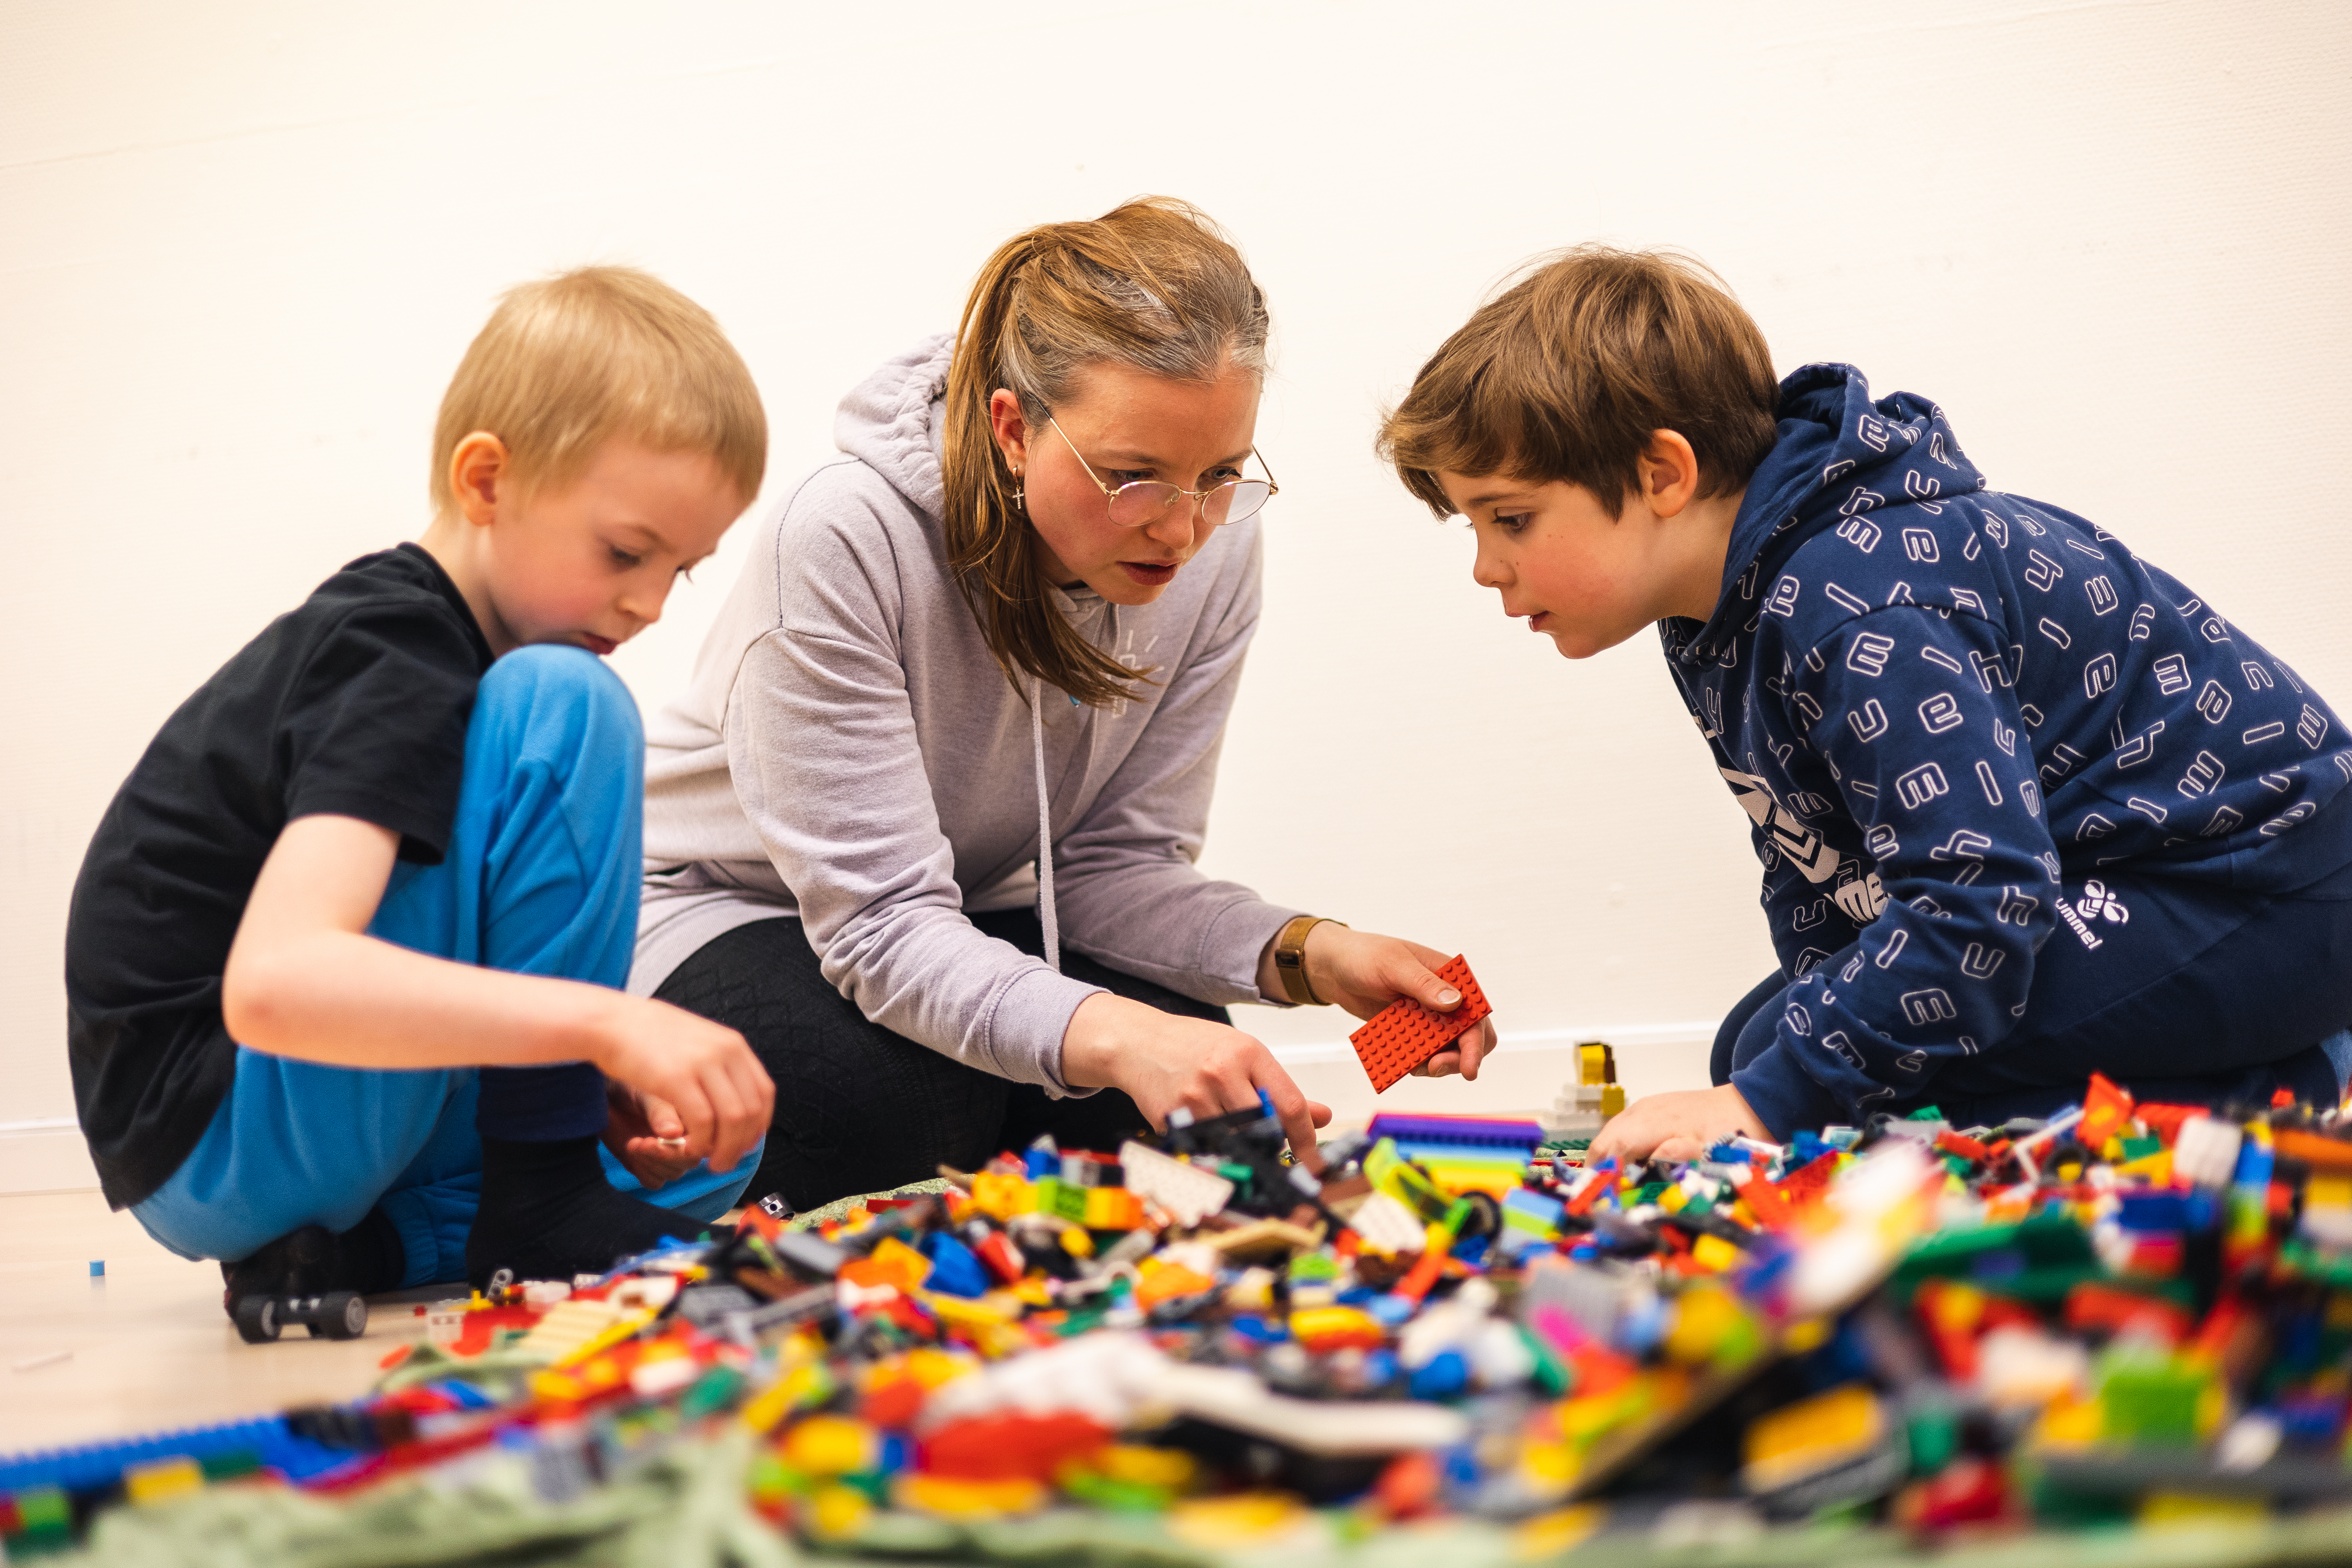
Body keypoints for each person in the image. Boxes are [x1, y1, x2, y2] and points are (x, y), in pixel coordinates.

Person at [1377, 246, 2352, 1162]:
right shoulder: (1714, 612)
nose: (1486, 567)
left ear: (1662, 475)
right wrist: (1784, 1073)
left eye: (1511, 519)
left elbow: (1979, 899)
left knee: (1800, 1084)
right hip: (2092, 882)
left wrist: (1782, 1097)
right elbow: (1815, 857)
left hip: (2264, 895)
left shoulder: (1860, 605)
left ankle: (2290, 1081)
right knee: (1755, 1049)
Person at [631, 198, 1494, 1209]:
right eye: (1133, 477)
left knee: (1195, 1106)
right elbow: (880, 925)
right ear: (1013, 429)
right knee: (895, 1106)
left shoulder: (1212, 546)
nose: (1181, 529)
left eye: (1221, 474)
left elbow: (1110, 867)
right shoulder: (841, 539)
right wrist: (1118, 1036)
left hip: (969, 904)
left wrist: (1313, 954)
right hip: (725, 903)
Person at [65, 267, 778, 1302]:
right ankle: (541, 1195)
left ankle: (369, 1252)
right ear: (486, 482)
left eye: (681, 569)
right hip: (215, 1120)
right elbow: (276, 983)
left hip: (263, 1145)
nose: (652, 605)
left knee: (712, 1151)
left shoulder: (463, 676)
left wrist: (586, 1081)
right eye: (627, 552)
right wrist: (601, 1024)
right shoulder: (397, 652)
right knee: (570, 701)